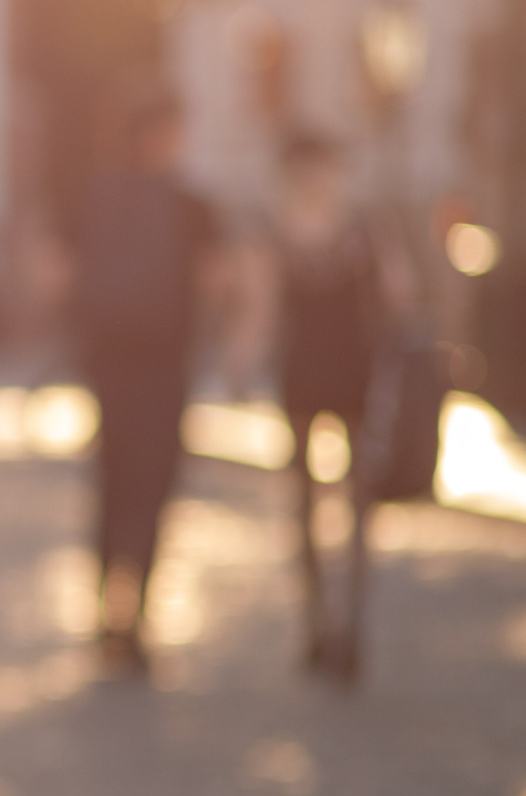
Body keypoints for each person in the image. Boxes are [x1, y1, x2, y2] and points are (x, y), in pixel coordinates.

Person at [70, 89, 229, 676]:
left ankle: (105, 610)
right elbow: (217, 284)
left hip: (108, 363)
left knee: (112, 483)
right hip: (166, 364)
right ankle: (136, 618)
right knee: (154, 486)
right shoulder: (192, 204)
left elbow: (58, 276)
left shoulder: (95, 197)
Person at [244, 133, 408, 682]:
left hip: (348, 373)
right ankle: (321, 621)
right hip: (308, 375)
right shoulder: (292, 233)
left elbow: (399, 297)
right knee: (307, 503)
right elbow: (261, 310)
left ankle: (346, 623)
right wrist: (242, 363)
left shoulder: (361, 229)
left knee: (352, 500)